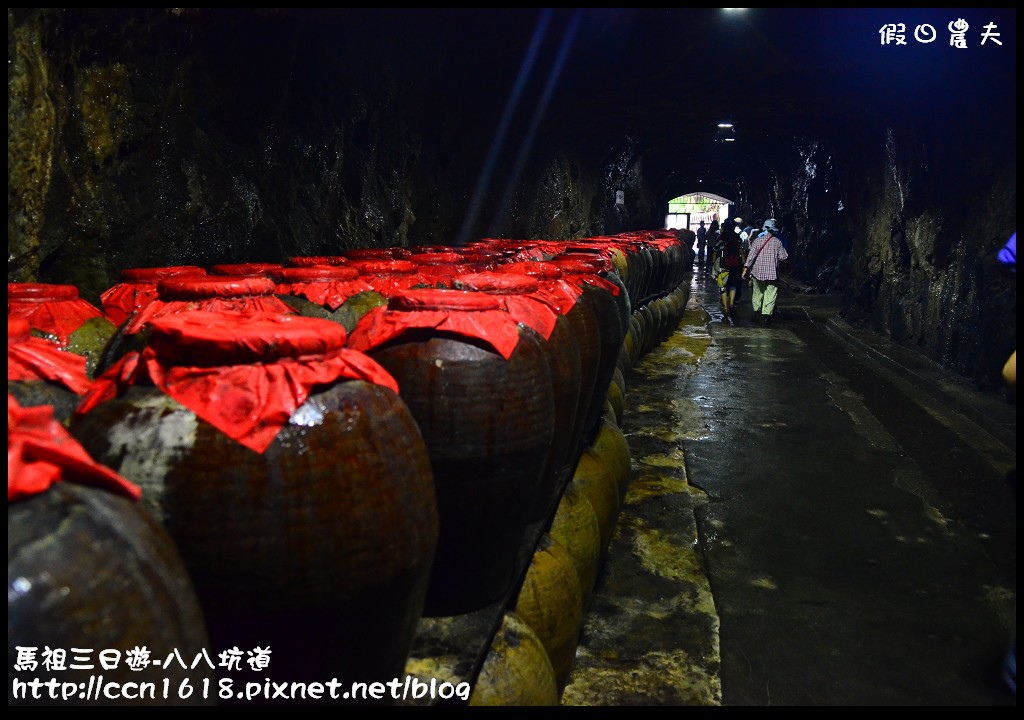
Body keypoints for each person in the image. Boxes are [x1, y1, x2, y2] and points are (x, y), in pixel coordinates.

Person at [741, 218, 788, 326]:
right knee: (770, 295)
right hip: (772, 274)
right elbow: (783, 257)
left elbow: (750, 257)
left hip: (757, 273)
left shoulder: (758, 241)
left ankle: (757, 313)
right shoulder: (778, 242)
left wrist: (745, 270)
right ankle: (766, 316)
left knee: (757, 293)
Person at [718, 225, 745, 321]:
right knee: (733, 284)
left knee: (723, 286)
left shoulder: (722, 238)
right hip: (736, 265)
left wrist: (713, 263)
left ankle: (725, 307)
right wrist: (744, 264)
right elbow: (741, 252)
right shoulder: (737, 238)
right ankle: (732, 303)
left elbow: (716, 250)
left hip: (723, 265)